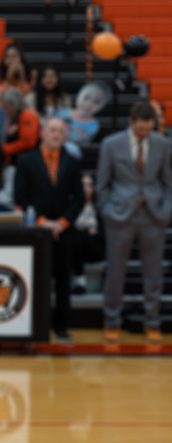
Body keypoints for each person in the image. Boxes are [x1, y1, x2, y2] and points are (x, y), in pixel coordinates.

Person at [95, 101, 172, 342]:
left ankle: (152, 321)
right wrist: (108, 210)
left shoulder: (163, 144)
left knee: (154, 272)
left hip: (152, 215)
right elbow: (102, 185)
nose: (144, 134)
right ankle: (111, 320)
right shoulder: (111, 144)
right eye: (140, 130)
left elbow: (168, 182)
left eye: (148, 129)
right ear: (131, 122)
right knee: (116, 272)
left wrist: (165, 211)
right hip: (120, 215)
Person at [14, 116, 85, 342]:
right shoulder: (26, 160)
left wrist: (62, 223)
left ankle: (62, 327)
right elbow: (20, 198)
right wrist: (41, 222)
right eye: (52, 130)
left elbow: (79, 199)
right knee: (36, 279)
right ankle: (36, 327)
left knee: (64, 280)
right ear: (43, 132)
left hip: (64, 230)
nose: (56, 135)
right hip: (36, 232)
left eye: (60, 131)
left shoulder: (72, 161)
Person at [71, 173, 105, 294]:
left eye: (89, 185)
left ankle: (80, 280)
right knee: (75, 237)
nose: (86, 188)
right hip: (75, 248)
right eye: (83, 185)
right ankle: (79, 280)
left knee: (76, 235)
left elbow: (103, 235)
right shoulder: (71, 207)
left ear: (94, 188)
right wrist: (88, 231)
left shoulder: (100, 207)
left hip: (94, 249)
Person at [55, 82, 109, 155]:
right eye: (86, 97)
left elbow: (83, 144)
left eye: (96, 102)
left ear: (102, 107)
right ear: (79, 95)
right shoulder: (61, 113)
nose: (89, 104)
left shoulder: (94, 125)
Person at [0, 87, 40, 164]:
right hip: (14, 161)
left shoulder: (27, 115)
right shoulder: (10, 119)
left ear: (14, 104)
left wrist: (5, 149)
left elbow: (29, 143)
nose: (5, 111)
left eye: (6, 107)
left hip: (28, 161)